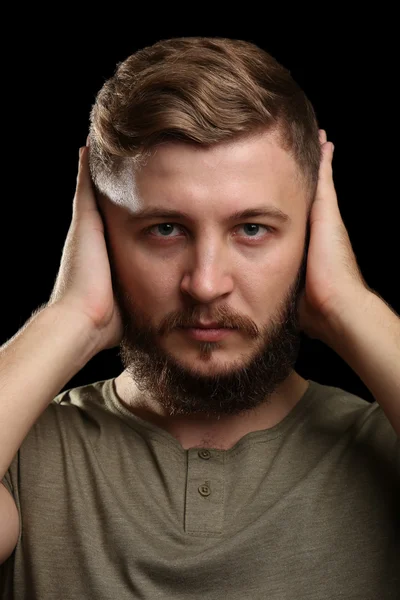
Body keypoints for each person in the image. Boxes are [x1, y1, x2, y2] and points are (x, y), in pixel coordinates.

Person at [0, 37, 399, 599]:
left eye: (253, 229)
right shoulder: (23, 456)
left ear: (312, 233)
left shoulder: (383, 446)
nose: (206, 283)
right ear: (100, 236)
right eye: (165, 229)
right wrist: (74, 315)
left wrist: (346, 303)